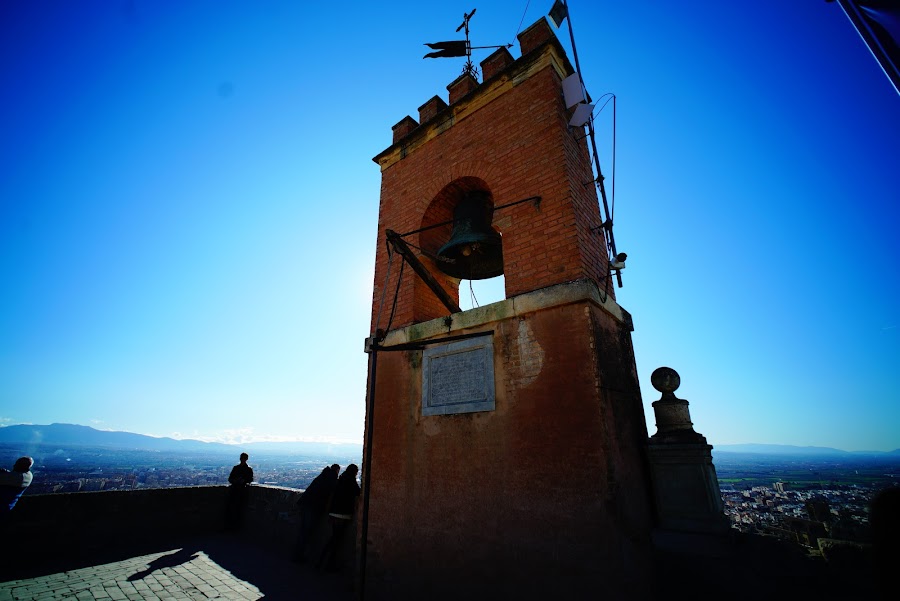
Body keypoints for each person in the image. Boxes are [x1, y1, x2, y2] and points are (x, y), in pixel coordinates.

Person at [292, 463, 339, 563]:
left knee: (303, 531)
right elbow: (330, 494)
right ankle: (300, 556)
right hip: (314, 507)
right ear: (337, 470)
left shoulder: (322, 476)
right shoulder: (331, 479)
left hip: (306, 504)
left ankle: (297, 555)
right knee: (307, 532)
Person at [318, 464, 360, 572]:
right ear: (354, 472)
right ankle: (326, 565)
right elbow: (358, 493)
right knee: (335, 541)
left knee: (333, 539)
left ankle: (321, 562)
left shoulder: (340, 479)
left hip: (333, 513)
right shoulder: (351, 482)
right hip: (343, 515)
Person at [0, 457, 34, 525]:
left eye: (17, 464)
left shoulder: (15, 478)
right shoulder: (29, 476)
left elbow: (10, 477)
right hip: (7, 509)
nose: (14, 465)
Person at [224, 453, 253, 530]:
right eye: (241, 458)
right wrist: (236, 481)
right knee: (233, 509)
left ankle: (234, 527)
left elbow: (250, 479)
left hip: (240, 492)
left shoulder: (247, 469)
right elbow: (230, 479)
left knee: (237, 509)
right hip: (236, 491)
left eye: (243, 458)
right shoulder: (238, 468)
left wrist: (243, 481)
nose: (242, 459)